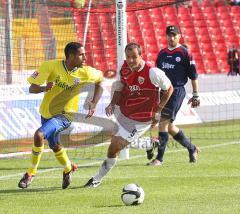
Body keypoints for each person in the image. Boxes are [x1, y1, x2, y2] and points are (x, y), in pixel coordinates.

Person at [83, 42, 173, 188]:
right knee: (116, 143)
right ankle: (150, 143)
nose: (130, 60)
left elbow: (169, 89)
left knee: (116, 145)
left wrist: (158, 110)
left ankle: (96, 179)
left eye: (134, 57)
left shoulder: (153, 72)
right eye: (128, 57)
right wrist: (112, 103)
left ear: (141, 56)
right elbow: (120, 86)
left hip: (142, 118)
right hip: (125, 113)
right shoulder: (124, 67)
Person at [18, 42, 103, 189]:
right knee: (55, 145)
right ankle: (68, 168)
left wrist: (94, 102)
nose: (84, 57)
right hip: (46, 112)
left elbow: (100, 80)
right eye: (81, 54)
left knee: (39, 135)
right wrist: (44, 88)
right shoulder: (49, 66)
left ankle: (30, 173)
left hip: (65, 115)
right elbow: (32, 88)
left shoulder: (86, 72)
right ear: (70, 56)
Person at [147, 25, 200, 166]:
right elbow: (157, 75)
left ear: (179, 36)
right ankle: (192, 148)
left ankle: (159, 159)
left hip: (176, 91)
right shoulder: (162, 54)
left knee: (163, 123)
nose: (171, 37)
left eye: (174, 35)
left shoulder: (185, 53)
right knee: (169, 126)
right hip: (163, 91)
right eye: (169, 35)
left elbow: (193, 76)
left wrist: (195, 95)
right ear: (166, 36)